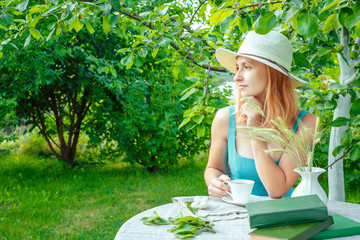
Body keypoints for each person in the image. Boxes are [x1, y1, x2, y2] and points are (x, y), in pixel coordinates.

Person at [204, 30, 317, 199]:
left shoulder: (306, 123)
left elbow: (277, 190)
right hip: (233, 214)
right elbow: (214, 168)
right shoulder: (225, 118)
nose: (236, 77)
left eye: (247, 67)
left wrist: (255, 131)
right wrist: (215, 182)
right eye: (237, 67)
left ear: (273, 74)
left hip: (281, 220)